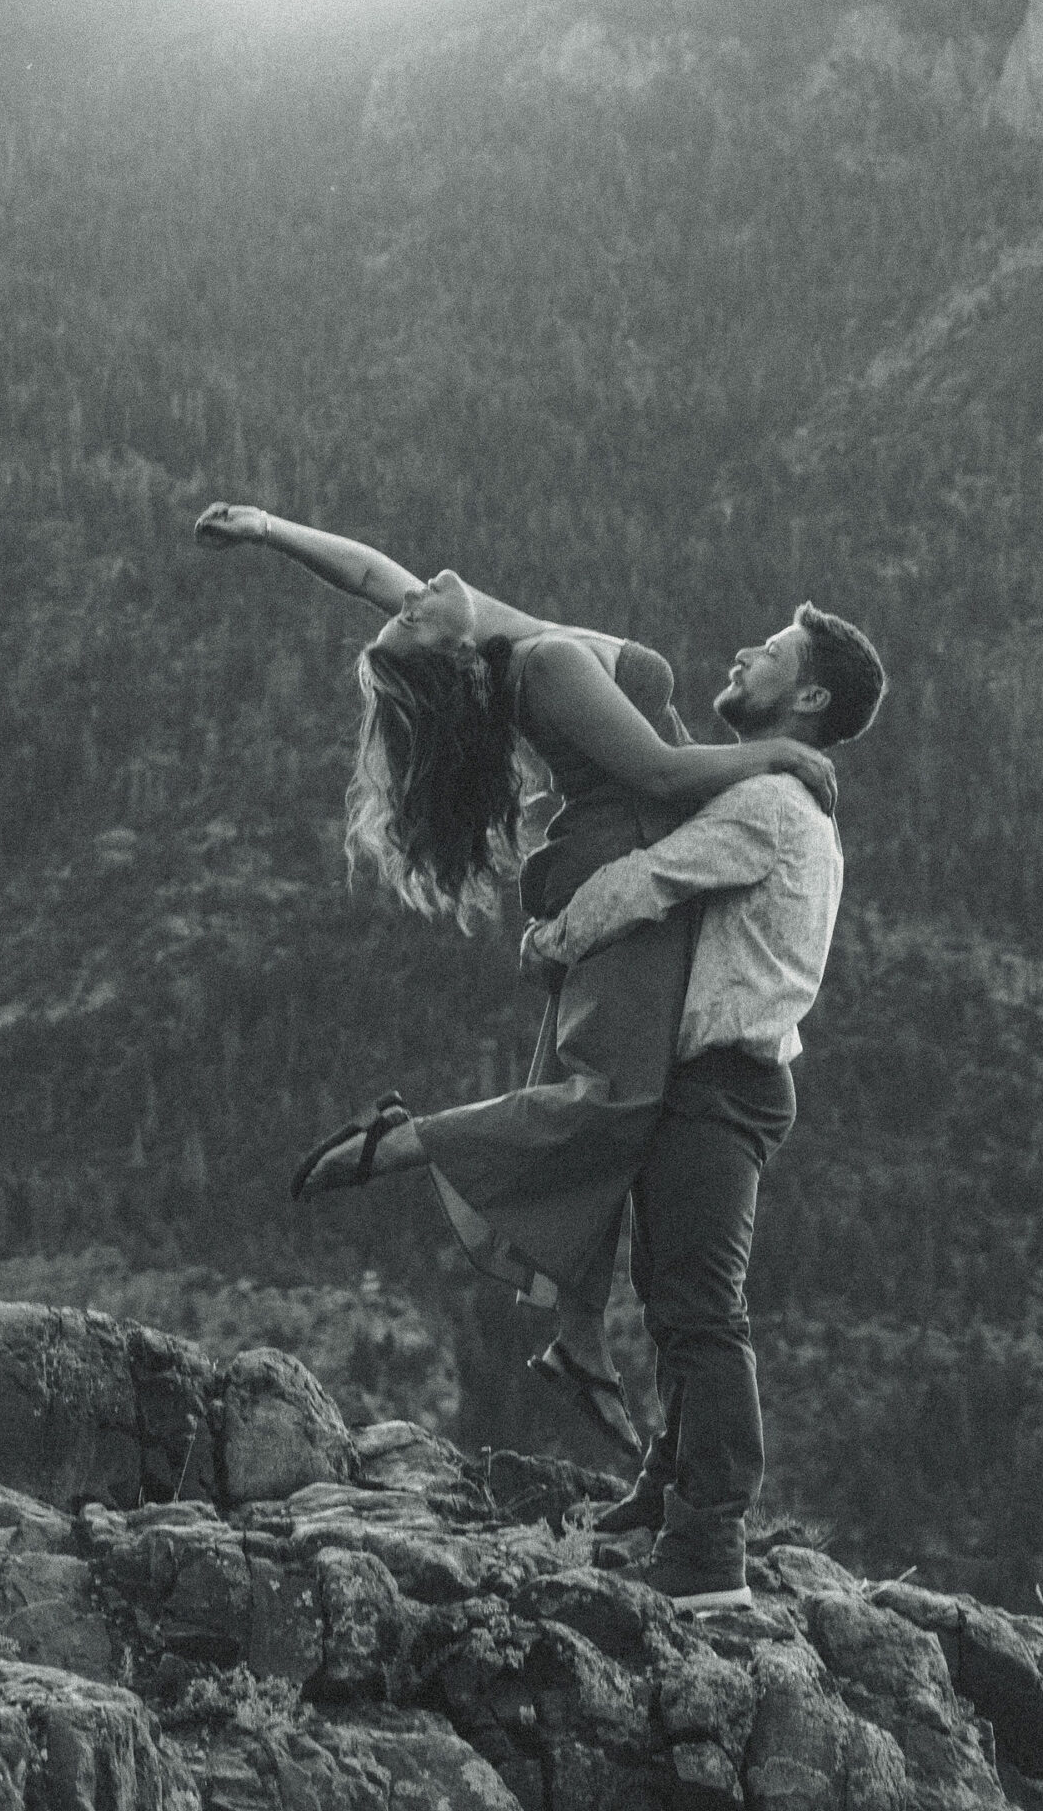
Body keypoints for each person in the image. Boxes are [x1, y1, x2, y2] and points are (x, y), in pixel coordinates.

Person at [193, 500, 838, 1457]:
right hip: (627, 856)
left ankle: (578, 1340)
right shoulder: (546, 664)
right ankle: (405, 1143)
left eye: (410, 605)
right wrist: (778, 753)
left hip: (610, 852)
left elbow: (374, 577)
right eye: (414, 616)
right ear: (442, 651)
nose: (422, 591)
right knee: (611, 1101)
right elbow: (659, 774)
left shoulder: (483, 632)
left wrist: (267, 530)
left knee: (608, 1106)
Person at [519, 604, 886, 1613]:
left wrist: (552, 939)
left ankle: (709, 1549)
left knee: (701, 1311)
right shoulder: (775, 797)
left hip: (721, 1084)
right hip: (725, 1082)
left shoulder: (767, 804)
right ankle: (669, 1486)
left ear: (805, 697)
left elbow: (647, 880)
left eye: (766, 652)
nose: (739, 652)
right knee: (674, 1292)